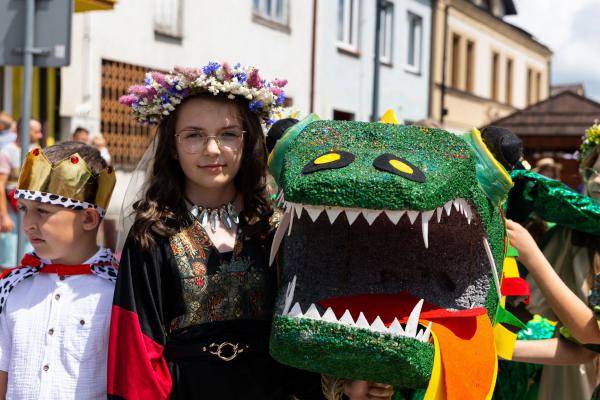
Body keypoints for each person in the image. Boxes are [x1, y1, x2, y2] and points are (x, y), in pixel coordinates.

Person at [108, 63, 394, 400]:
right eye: (194, 135)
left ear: (248, 141)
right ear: (172, 145)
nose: (212, 149)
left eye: (228, 134)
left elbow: (304, 331)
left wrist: (344, 386)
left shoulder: (277, 226)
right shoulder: (153, 234)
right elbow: (137, 352)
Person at [0, 141, 117, 399]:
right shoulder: (11, 288)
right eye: (24, 210)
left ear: (88, 218)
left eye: (42, 211)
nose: (28, 224)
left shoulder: (118, 293)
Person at [508, 122, 600, 399]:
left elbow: (591, 336)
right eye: (592, 171)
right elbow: (582, 348)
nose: (596, 180)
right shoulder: (568, 234)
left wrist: (532, 255)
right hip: (567, 380)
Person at [0, 119, 42, 269]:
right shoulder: (7, 152)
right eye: (36, 131)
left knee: (28, 259)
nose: (40, 135)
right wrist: (4, 216)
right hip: (12, 214)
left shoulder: (36, 152)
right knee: (8, 260)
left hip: (29, 212)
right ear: (24, 130)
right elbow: (1, 185)